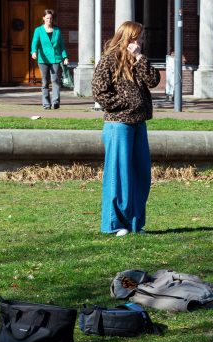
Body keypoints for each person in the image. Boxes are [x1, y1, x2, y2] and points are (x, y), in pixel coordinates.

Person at [92, 21, 160, 236]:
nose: (141, 41)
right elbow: (99, 92)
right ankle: (115, 223)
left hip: (139, 122)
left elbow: (153, 80)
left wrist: (140, 58)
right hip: (119, 123)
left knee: (141, 174)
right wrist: (126, 104)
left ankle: (135, 223)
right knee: (118, 175)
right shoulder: (109, 60)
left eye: (142, 37)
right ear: (127, 37)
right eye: (137, 37)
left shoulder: (138, 59)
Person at [30, 9, 69, 110]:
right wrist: (34, 52)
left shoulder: (57, 30)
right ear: (43, 18)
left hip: (55, 59)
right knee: (45, 82)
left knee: (55, 80)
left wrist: (65, 57)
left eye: (51, 18)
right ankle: (46, 103)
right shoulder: (38, 30)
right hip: (43, 59)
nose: (49, 20)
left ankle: (55, 102)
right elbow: (35, 43)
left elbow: (61, 45)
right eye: (47, 18)